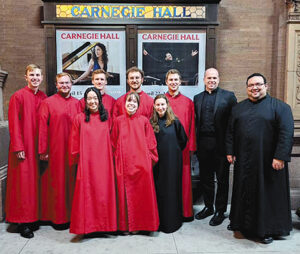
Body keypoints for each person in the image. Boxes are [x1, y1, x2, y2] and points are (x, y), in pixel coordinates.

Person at [226, 73, 294, 244]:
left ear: (266, 86)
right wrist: (230, 151)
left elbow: (286, 134)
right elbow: (230, 132)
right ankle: (240, 224)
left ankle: (267, 229)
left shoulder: (281, 107)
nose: (254, 88)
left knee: (267, 195)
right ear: (247, 88)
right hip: (245, 161)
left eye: (258, 84)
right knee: (243, 192)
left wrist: (280, 156)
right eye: (251, 85)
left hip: (269, 163)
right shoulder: (238, 108)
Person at [5, 64, 47, 238]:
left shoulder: (44, 97)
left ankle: (33, 217)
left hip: (38, 147)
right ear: (26, 77)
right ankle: (23, 222)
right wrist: (18, 147)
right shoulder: (18, 96)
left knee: (35, 184)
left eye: (38, 75)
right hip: (23, 148)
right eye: (32, 75)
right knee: (23, 185)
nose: (35, 78)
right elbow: (14, 124)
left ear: (42, 78)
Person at [69, 87, 117, 235]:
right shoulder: (79, 118)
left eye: (95, 98)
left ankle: (105, 226)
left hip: (105, 162)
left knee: (103, 193)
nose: (92, 101)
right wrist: (76, 159)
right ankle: (88, 227)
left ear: (100, 100)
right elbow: (74, 142)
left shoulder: (107, 117)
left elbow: (113, 139)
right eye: (89, 98)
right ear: (85, 101)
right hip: (87, 162)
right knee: (88, 194)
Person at [193, 68, 237, 226]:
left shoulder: (229, 97)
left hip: (222, 146)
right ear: (204, 79)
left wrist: (232, 149)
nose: (212, 80)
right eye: (209, 78)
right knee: (206, 179)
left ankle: (220, 211)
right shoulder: (197, 98)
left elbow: (233, 124)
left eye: (215, 78)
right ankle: (208, 207)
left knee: (222, 180)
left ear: (219, 79)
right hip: (203, 144)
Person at [111, 92, 159, 233]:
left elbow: (151, 143)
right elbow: (113, 142)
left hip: (141, 165)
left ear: (138, 105)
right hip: (123, 165)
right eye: (128, 101)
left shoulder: (144, 121)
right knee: (124, 196)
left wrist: (149, 162)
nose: (131, 103)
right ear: (124, 103)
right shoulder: (118, 121)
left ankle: (142, 225)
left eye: (134, 102)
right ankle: (125, 226)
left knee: (141, 197)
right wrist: (117, 161)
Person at [38, 72, 80, 226]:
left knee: (72, 183)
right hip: (55, 150)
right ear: (56, 85)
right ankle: (58, 218)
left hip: (73, 150)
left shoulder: (78, 103)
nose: (64, 85)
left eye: (67, 83)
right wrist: (43, 150)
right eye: (61, 83)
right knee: (57, 184)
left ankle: (72, 216)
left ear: (71, 84)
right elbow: (42, 127)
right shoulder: (47, 103)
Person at [150, 94, 187, 233]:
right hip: (157, 165)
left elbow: (183, 140)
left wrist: (173, 153)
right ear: (154, 106)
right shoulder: (151, 123)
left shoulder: (175, 122)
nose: (160, 107)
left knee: (172, 190)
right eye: (158, 105)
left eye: (162, 104)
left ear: (167, 105)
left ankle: (173, 222)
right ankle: (160, 222)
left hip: (173, 163)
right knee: (160, 192)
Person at [165, 69, 196, 220]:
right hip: (166, 148)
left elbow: (191, 126)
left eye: (176, 80)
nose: (173, 82)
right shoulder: (160, 101)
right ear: (166, 82)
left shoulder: (188, 102)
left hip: (182, 149)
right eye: (171, 80)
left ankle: (185, 212)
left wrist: (191, 147)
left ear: (180, 81)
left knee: (184, 180)